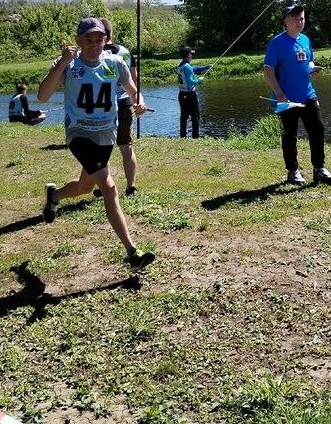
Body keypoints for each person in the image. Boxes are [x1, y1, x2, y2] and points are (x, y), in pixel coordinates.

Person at [37, 17, 154, 270]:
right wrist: (62, 64)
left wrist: (140, 102)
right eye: (87, 40)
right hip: (79, 133)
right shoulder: (69, 65)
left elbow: (133, 90)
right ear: (78, 42)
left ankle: (54, 196)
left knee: (85, 187)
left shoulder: (115, 63)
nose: (93, 45)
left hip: (106, 134)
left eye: (98, 40)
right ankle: (132, 253)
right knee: (109, 187)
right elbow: (43, 97)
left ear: (105, 41)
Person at [263, 4, 331, 185]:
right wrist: (279, 94)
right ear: (286, 21)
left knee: (318, 129)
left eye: (302, 18)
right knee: (290, 135)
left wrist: (312, 68)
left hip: (308, 95)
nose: (299, 21)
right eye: (295, 18)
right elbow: (268, 71)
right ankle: (293, 171)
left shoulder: (305, 39)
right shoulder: (277, 43)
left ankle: (319, 169)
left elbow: (308, 61)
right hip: (286, 99)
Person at [100, 17, 138, 195]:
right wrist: (136, 99)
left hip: (103, 105)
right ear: (111, 32)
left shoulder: (96, 53)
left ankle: (103, 184)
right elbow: (134, 78)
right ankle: (131, 187)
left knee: (102, 147)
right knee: (126, 145)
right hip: (125, 101)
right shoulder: (126, 52)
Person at [177, 47, 211, 138]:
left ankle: (183, 136)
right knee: (195, 116)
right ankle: (195, 137)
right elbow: (190, 81)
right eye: (191, 54)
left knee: (184, 116)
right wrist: (199, 80)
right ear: (188, 55)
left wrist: (206, 67)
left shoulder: (181, 65)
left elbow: (193, 69)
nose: (192, 56)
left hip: (182, 94)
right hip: (190, 95)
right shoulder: (187, 66)